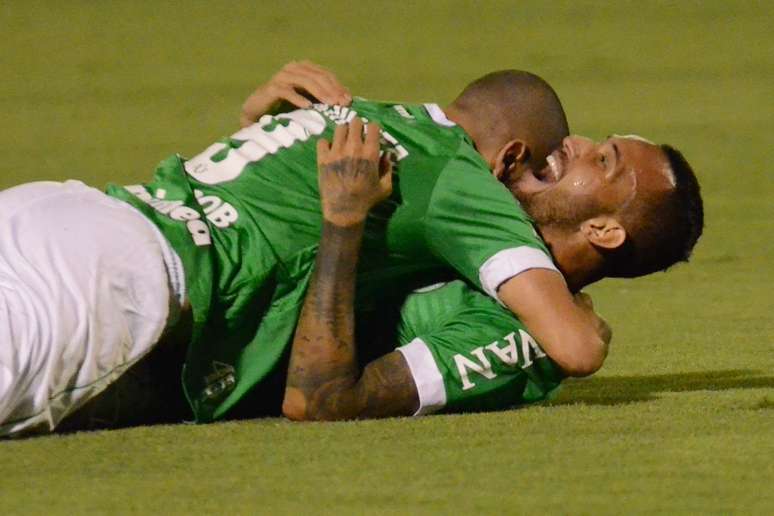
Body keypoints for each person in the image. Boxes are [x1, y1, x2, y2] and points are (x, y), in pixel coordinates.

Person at [0, 62, 702, 435]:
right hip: (117, 279)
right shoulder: (457, 186)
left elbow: (327, 395)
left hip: (68, 214)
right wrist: (338, 222)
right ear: (507, 156)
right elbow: (577, 346)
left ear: (609, 230)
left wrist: (264, 143)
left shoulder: (391, 134)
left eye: (604, 160)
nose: (577, 145)